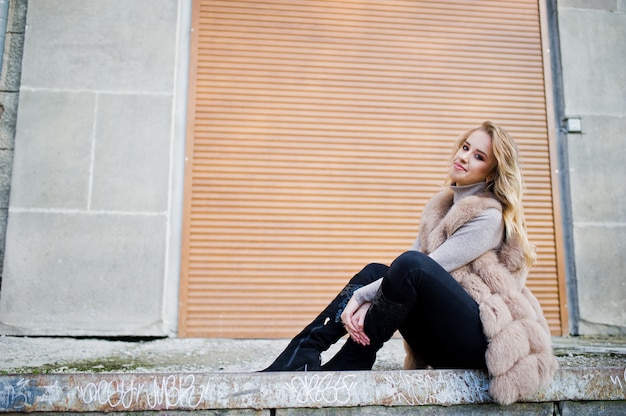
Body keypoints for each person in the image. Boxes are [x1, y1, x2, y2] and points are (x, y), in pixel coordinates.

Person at [262, 121, 557, 405]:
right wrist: (371, 293)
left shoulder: (488, 217)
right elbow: (397, 275)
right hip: (438, 337)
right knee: (378, 271)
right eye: (465, 147)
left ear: (492, 173)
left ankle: (353, 357)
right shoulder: (440, 207)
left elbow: (430, 265)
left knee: (409, 266)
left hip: (478, 342)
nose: (464, 157)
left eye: (478, 156)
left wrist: (361, 296)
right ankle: (303, 351)